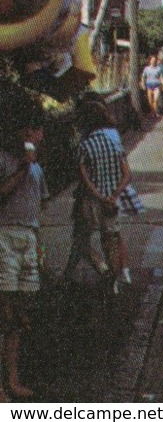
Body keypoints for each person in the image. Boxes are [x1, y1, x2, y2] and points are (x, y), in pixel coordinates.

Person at [62, 100, 130, 292]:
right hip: (111, 201)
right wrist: (113, 195)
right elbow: (127, 174)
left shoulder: (85, 146)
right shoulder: (113, 143)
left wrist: (98, 196)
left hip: (91, 202)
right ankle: (115, 282)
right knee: (111, 240)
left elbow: (85, 179)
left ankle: (102, 270)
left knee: (82, 239)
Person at [0, 113, 45, 400]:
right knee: (4, 314)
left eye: (38, 129)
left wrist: (39, 246)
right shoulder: (5, 160)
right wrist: (22, 169)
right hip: (4, 236)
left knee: (18, 317)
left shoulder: (37, 168)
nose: (36, 135)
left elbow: (37, 208)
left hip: (28, 238)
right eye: (31, 128)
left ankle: (12, 380)